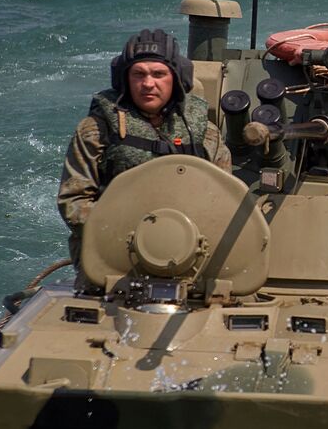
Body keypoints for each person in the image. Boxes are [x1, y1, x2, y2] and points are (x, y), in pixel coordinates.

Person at [57, 28, 231, 261]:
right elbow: (74, 202)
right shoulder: (96, 130)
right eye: (138, 74)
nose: (148, 83)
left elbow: (224, 198)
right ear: (125, 79)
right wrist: (127, 237)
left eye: (159, 74)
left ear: (177, 78)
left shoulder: (205, 133)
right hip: (116, 251)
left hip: (192, 249)